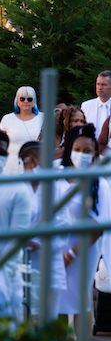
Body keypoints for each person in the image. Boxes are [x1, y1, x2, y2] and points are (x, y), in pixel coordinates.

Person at [57, 124, 111, 327]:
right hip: (57, 248)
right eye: (77, 150)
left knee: (79, 300)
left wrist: (70, 255)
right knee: (57, 302)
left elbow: (98, 225)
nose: (82, 155)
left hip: (83, 251)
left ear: (95, 153)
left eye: (87, 151)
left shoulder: (99, 183)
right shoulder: (56, 176)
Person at [0, 130, 32, 320]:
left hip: (6, 269)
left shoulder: (17, 188)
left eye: (1, 153)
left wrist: (4, 272)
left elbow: (17, 238)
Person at [18, 141, 68, 318]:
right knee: (23, 314)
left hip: (49, 259)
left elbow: (63, 224)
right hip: (20, 259)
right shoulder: (15, 186)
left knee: (48, 315)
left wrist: (38, 242)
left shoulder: (54, 188)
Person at [0, 85, 44, 173]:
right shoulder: (7, 119)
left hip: (36, 166)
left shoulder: (43, 118)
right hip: (11, 167)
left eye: (29, 99)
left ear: (34, 101)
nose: (26, 101)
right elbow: (0, 143)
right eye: (22, 99)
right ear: (17, 101)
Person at [81, 70, 111, 138]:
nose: (100, 88)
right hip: (90, 146)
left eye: (104, 85)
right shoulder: (86, 106)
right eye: (98, 84)